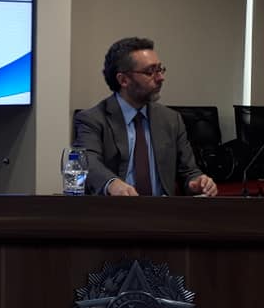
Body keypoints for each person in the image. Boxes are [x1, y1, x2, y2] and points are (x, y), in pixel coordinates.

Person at [73, 37, 217, 197]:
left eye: (160, 69)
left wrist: (197, 182)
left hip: (163, 210)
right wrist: (111, 183)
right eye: (150, 72)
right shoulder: (92, 119)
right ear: (123, 80)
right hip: (115, 208)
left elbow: (189, 171)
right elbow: (87, 161)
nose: (160, 78)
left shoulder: (171, 120)